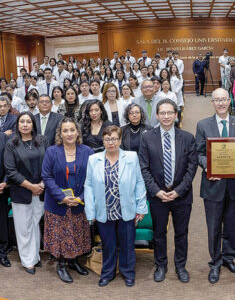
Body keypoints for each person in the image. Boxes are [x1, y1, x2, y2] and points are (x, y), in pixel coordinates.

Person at [139, 99, 198, 283]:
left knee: (181, 233)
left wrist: (179, 191)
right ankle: (161, 265)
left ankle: (180, 266)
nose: (166, 116)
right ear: (157, 115)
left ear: (176, 114)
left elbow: (192, 167)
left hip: (181, 196)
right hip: (158, 197)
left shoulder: (187, 138)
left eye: (169, 112)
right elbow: (144, 168)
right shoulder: (147, 137)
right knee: (159, 233)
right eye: (162, 113)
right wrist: (156, 191)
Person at [195, 88, 235, 284]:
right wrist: (209, 167)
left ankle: (229, 258)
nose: (221, 103)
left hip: (234, 184)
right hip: (212, 184)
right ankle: (215, 262)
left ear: (229, 101)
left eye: (224, 99)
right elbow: (198, 153)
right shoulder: (203, 125)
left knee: (231, 225)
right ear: (212, 103)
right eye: (217, 100)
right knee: (214, 226)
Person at [85, 125, 147, 287]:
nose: (110, 142)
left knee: (127, 244)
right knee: (108, 244)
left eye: (114, 139)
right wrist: (90, 211)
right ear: (103, 141)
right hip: (104, 210)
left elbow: (139, 182)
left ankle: (128, 273)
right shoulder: (94, 159)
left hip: (126, 208)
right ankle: (107, 273)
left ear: (120, 140)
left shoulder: (131, 157)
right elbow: (89, 185)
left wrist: (141, 208)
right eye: (107, 139)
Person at [42, 117, 93, 283]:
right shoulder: (51, 151)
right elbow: (47, 177)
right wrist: (62, 197)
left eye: (72, 130)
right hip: (57, 203)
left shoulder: (87, 151)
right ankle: (62, 264)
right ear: (60, 133)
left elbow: (92, 179)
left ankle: (73, 261)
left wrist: (80, 198)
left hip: (79, 202)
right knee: (61, 236)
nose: (69, 133)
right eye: (65, 130)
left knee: (77, 234)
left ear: (77, 132)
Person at [4, 112, 48, 274]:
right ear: (17, 125)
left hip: (41, 190)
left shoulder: (42, 140)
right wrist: (31, 186)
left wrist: (42, 184)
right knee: (24, 228)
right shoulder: (11, 144)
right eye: (21, 121)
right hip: (22, 191)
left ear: (33, 124)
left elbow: (48, 163)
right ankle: (27, 260)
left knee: (35, 225)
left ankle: (34, 256)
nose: (24, 124)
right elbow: (11, 171)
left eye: (28, 121)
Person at [0, 131, 10, 267]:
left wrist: (5, 182)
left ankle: (2, 252)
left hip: (1, 187)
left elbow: (9, 162)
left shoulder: (3, 137)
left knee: (2, 222)